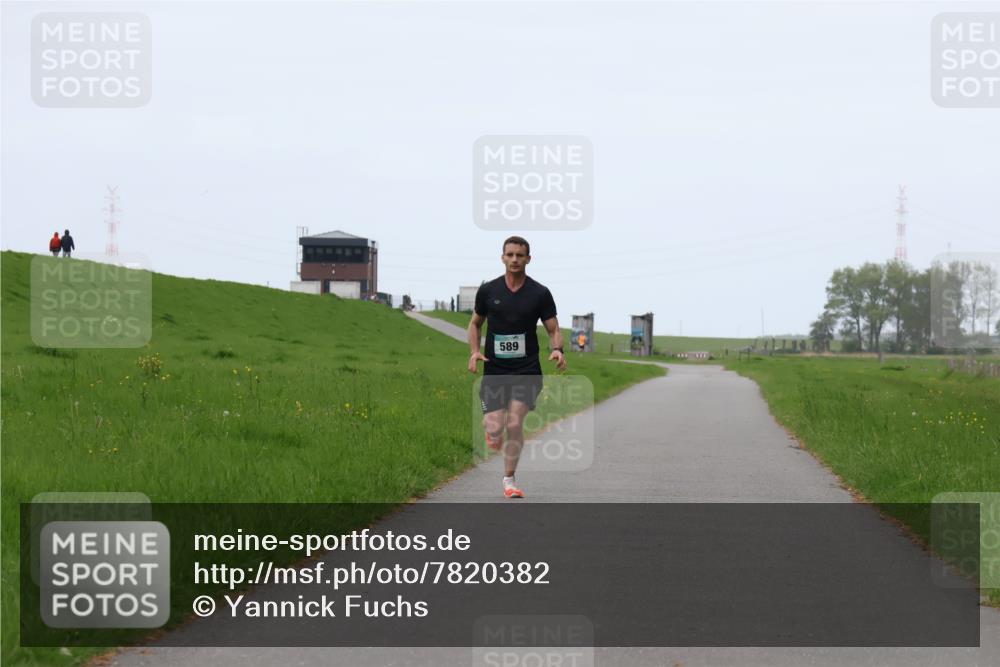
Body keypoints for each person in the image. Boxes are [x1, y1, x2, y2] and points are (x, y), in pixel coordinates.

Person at [467, 236, 566, 499]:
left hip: (527, 369)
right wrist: (475, 351)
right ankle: (492, 431)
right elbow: (475, 324)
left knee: (514, 422)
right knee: (495, 425)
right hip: (495, 369)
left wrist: (557, 349)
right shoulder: (489, 291)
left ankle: (509, 480)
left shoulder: (539, 293)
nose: (514, 260)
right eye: (509, 255)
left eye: (519, 255)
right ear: (502, 257)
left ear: (528, 259)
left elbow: (553, 328)